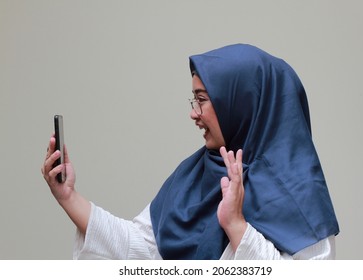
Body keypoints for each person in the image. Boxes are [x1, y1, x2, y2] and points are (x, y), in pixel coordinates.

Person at [42, 44, 339, 260]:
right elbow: (142, 247)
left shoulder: (300, 194)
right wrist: (69, 197)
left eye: (202, 100)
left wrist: (237, 225)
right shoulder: (194, 175)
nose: (194, 114)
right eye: (193, 100)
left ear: (241, 103)